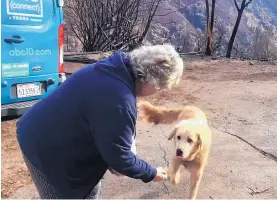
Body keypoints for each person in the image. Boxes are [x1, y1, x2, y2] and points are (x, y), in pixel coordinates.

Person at [16, 44, 184, 199]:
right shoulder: (119, 101)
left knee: (90, 187)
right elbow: (120, 160)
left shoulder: (114, 66)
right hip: (44, 147)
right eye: (160, 88)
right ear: (151, 82)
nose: (157, 92)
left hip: (43, 129)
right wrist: (151, 173)